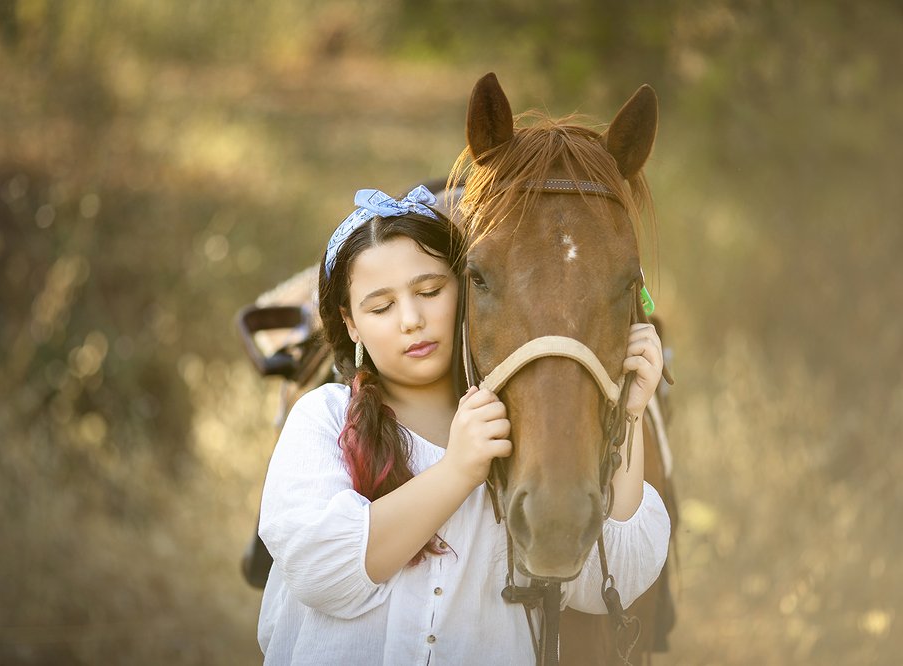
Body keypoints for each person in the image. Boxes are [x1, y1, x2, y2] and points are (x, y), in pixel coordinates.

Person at [257, 186, 670, 664]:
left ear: (469, 290)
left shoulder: (523, 434)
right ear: (351, 324)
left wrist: (631, 413)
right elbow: (323, 570)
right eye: (381, 306)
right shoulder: (323, 420)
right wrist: (457, 471)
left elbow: (609, 582)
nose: (411, 319)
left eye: (430, 291)